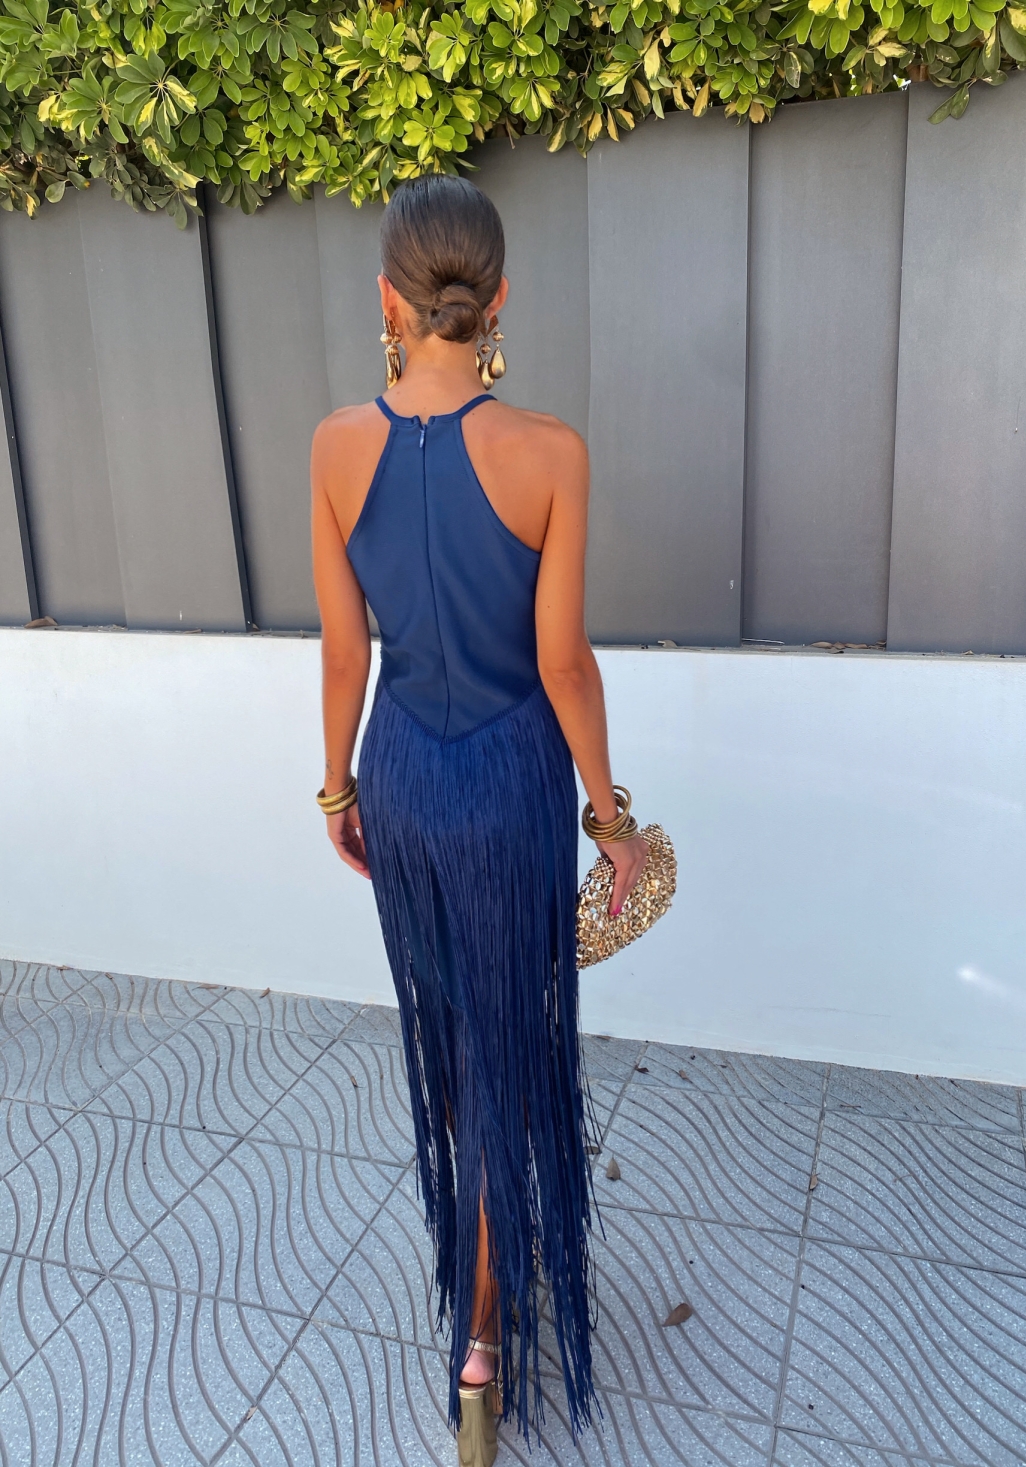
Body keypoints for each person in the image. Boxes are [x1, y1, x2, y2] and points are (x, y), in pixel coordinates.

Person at [310, 174, 648, 1465]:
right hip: (510, 783)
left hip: (401, 768)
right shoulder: (551, 452)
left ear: (387, 301)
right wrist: (611, 820)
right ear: (498, 297)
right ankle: (485, 1338)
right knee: (510, 1047)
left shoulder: (334, 446)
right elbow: (563, 666)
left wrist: (338, 789)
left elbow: (345, 654)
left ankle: (479, 1295)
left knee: (452, 1044)